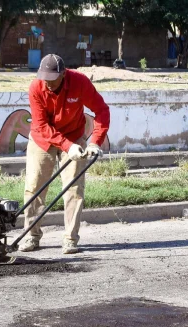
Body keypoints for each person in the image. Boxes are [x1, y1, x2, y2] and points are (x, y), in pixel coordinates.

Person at [20, 54, 110, 254]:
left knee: (74, 190)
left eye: (52, 79)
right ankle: (31, 236)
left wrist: (95, 142)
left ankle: (70, 239)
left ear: (63, 74)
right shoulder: (36, 87)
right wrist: (66, 146)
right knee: (34, 188)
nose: (48, 83)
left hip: (74, 134)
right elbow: (42, 125)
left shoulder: (79, 82)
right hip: (42, 138)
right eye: (44, 78)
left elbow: (102, 110)